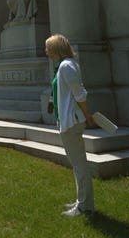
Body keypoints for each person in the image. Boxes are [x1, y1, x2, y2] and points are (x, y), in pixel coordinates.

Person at [45, 33, 95, 217]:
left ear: (56, 49)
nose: (46, 51)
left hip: (72, 121)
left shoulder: (66, 66)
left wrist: (88, 115)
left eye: (48, 47)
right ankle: (82, 202)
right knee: (77, 164)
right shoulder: (64, 66)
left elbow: (79, 94)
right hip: (68, 120)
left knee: (79, 164)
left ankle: (84, 207)